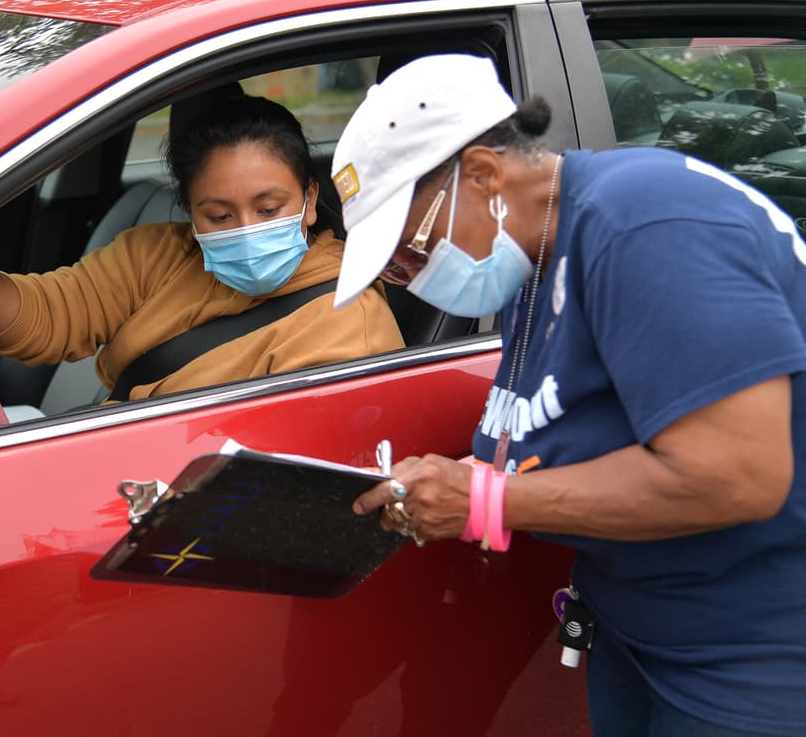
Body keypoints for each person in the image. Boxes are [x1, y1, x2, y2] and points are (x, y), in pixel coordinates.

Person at [331, 53, 806, 737]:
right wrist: (468, 482)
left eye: (410, 250)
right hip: (645, 639)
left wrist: (491, 500)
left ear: (485, 176)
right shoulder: (537, 257)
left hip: (752, 664)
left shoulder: (646, 227)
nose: (409, 276)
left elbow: (737, 475)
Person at [0, 94, 404, 403]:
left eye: (268, 209)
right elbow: (52, 316)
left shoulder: (347, 323)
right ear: (190, 212)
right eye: (218, 215)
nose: (245, 229)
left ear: (311, 199)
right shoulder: (158, 254)